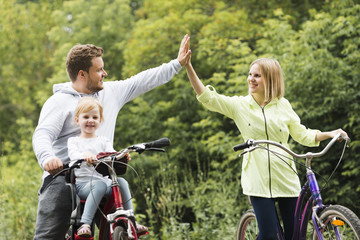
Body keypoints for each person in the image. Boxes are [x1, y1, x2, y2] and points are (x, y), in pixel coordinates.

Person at [32, 34, 191, 240]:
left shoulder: (110, 92)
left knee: (119, 209)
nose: (104, 73)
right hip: (64, 175)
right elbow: (42, 134)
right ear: (82, 74)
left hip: (101, 173)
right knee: (48, 235)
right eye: (99, 70)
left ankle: (127, 224)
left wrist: (177, 64)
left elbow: (142, 81)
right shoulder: (58, 102)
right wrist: (47, 159)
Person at [184, 48, 348, 239]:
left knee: (296, 235)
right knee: (269, 235)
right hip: (258, 180)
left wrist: (328, 134)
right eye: (250, 74)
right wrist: (188, 66)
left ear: (270, 79)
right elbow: (208, 98)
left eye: (257, 76)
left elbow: (302, 134)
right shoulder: (240, 105)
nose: (251, 79)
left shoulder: (283, 105)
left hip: (286, 177)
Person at [67, 96, 146, 237]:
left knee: (122, 182)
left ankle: (131, 219)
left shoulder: (103, 141)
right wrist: (84, 155)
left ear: (100, 121)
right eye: (86, 117)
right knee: (99, 185)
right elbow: (73, 155)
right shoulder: (74, 141)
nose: (90, 120)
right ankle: (85, 223)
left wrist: (122, 156)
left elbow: (112, 153)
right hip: (84, 186)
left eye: (95, 117)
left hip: (105, 183)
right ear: (77, 120)